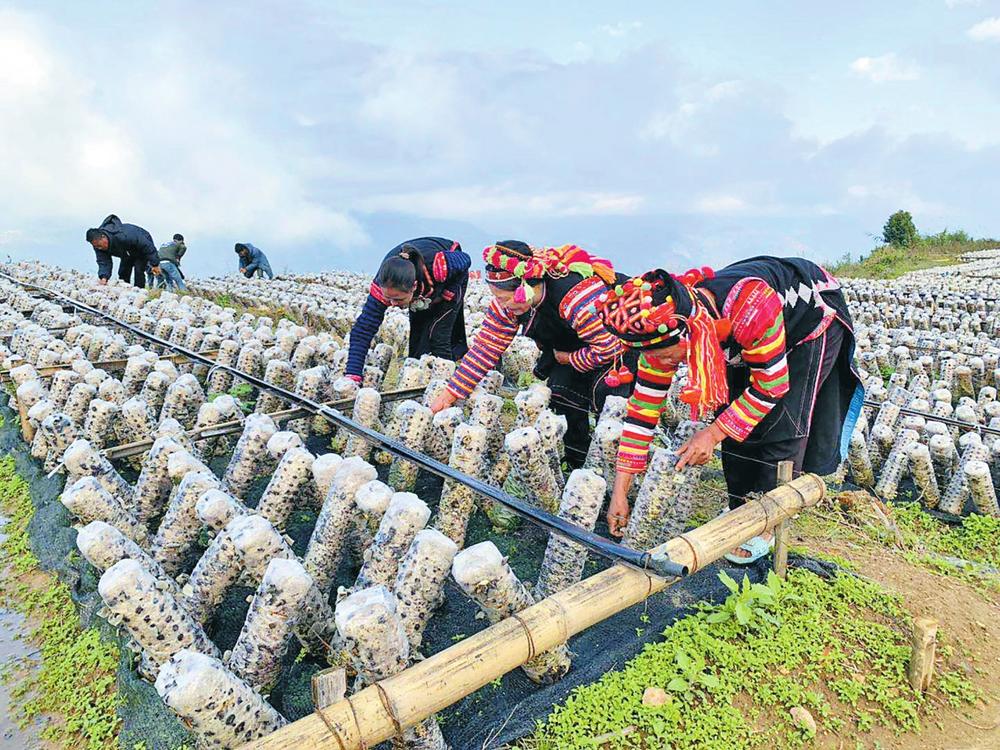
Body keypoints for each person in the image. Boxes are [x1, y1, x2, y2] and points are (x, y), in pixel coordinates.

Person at [595, 257, 863, 563]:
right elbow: (641, 415)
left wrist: (711, 435)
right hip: (746, 334)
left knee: (782, 419)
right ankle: (742, 507)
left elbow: (772, 385)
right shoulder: (658, 337)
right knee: (731, 413)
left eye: (670, 357)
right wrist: (620, 492)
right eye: (661, 359)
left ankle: (768, 522)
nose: (668, 364)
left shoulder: (751, 306)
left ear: (691, 334)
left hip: (807, 321)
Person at [430, 241, 637, 468]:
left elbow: (610, 346)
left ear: (524, 287)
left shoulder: (578, 299)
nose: (502, 305)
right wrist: (450, 393)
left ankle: (612, 468)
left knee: (610, 409)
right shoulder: (507, 305)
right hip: (568, 345)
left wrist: (570, 359)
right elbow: (486, 348)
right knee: (562, 396)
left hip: (616, 346)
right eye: (497, 298)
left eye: (505, 298)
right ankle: (577, 464)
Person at [346, 238, 471, 383]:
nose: (392, 304)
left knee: (439, 333)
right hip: (420, 284)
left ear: (414, 287)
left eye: (398, 299)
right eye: (388, 298)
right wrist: (353, 374)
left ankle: (446, 382)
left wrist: (449, 292)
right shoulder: (383, 284)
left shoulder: (440, 266)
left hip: (450, 276)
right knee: (418, 333)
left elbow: (466, 259)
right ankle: (417, 378)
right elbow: (363, 330)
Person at [85, 215, 160, 288]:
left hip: (141, 246)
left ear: (103, 237)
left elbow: (147, 246)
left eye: (99, 245)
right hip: (126, 251)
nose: (99, 248)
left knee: (138, 270)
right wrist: (104, 277)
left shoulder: (123, 235)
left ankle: (139, 291)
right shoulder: (98, 247)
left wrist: (155, 264)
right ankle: (125, 290)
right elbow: (104, 262)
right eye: (96, 246)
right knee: (123, 272)